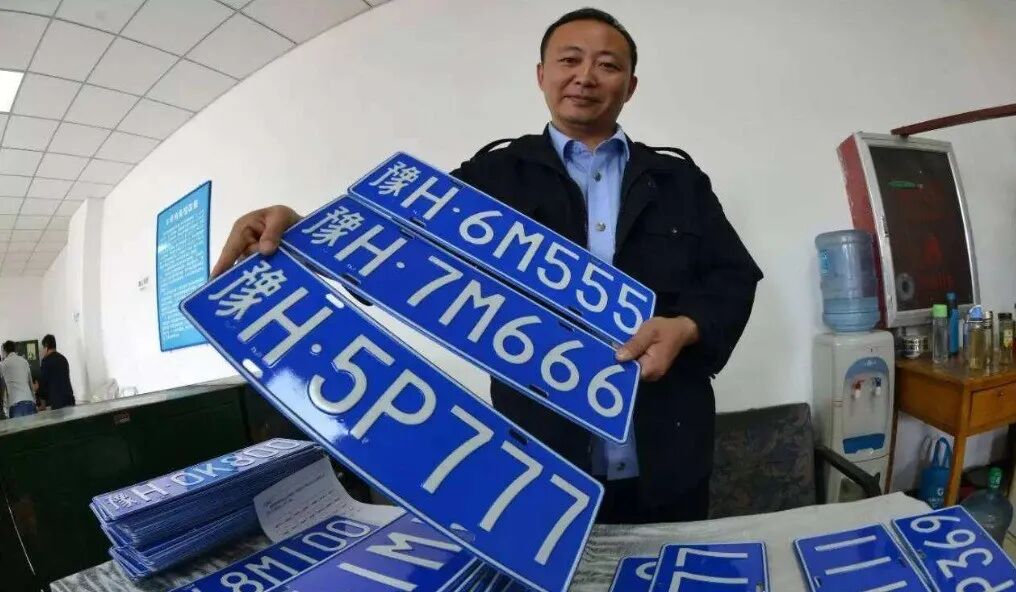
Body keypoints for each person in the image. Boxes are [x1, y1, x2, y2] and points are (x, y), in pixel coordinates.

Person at [211, 8, 762, 524]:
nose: (585, 76)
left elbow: (732, 277)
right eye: (569, 60)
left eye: (607, 65)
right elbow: (397, 254)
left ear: (631, 86)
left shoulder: (679, 181)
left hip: (669, 448)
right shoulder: (490, 177)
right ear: (542, 75)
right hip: (541, 456)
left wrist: (686, 326)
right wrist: (301, 230)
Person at [1, 341, 37, 418]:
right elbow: (31, 384)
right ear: (14, 349)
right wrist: (34, 401)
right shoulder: (24, 361)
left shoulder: (4, 364)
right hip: (30, 403)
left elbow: (2, 388)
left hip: (16, 406)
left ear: (4, 351)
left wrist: (5, 409)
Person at [38, 334, 75, 410]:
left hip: (57, 403)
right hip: (69, 399)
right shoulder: (63, 359)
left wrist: (42, 405)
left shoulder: (46, 361)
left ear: (46, 347)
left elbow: (43, 384)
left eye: (43, 348)